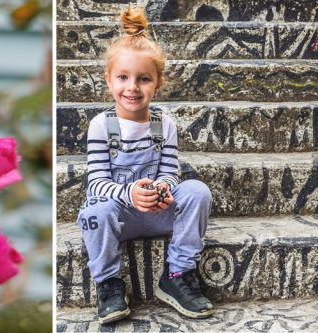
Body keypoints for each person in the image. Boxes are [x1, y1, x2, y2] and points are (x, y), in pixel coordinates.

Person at [80, 6, 214, 323]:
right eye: (123, 77)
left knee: (197, 191)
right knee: (93, 210)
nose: (133, 87)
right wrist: (130, 193)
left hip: (157, 212)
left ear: (158, 83)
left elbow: (170, 172)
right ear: (109, 80)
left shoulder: (164, 125)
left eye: (143, 79)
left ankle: (178, 273)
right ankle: (109, 283)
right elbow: (96, 183)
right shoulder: (101, 126)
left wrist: (163, 189)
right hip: (121, 214)